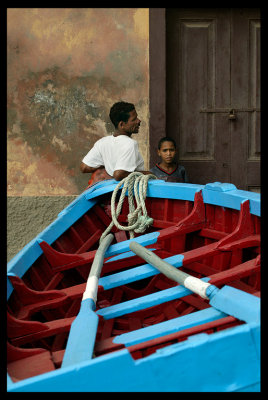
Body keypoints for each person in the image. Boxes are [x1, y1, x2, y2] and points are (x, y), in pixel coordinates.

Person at [80, 101, 151, 184]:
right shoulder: (130, 143)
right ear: (122, 125)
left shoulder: (102, 142)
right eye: (134, 119)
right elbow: (118, 175)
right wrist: (147, 173)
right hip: (126, 193)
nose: (139, 121)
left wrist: (106, 165)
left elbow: (84, 167)